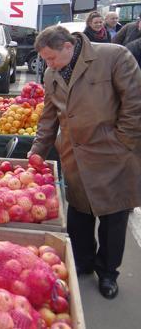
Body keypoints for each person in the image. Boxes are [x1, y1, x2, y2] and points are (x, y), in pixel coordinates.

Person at [29, 25, 141, 300]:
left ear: (68, 46)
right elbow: (49, 116)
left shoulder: (114, 56)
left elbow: (134, 102)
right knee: (79, 217)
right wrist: (38, 151)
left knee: (113, 220)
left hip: (112, 157)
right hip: (75, 157)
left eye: (51, 57)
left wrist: (123, 142)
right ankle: (83, 262)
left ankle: (108, 273)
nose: (48, 64)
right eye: (45, 59)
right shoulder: (51, 73)